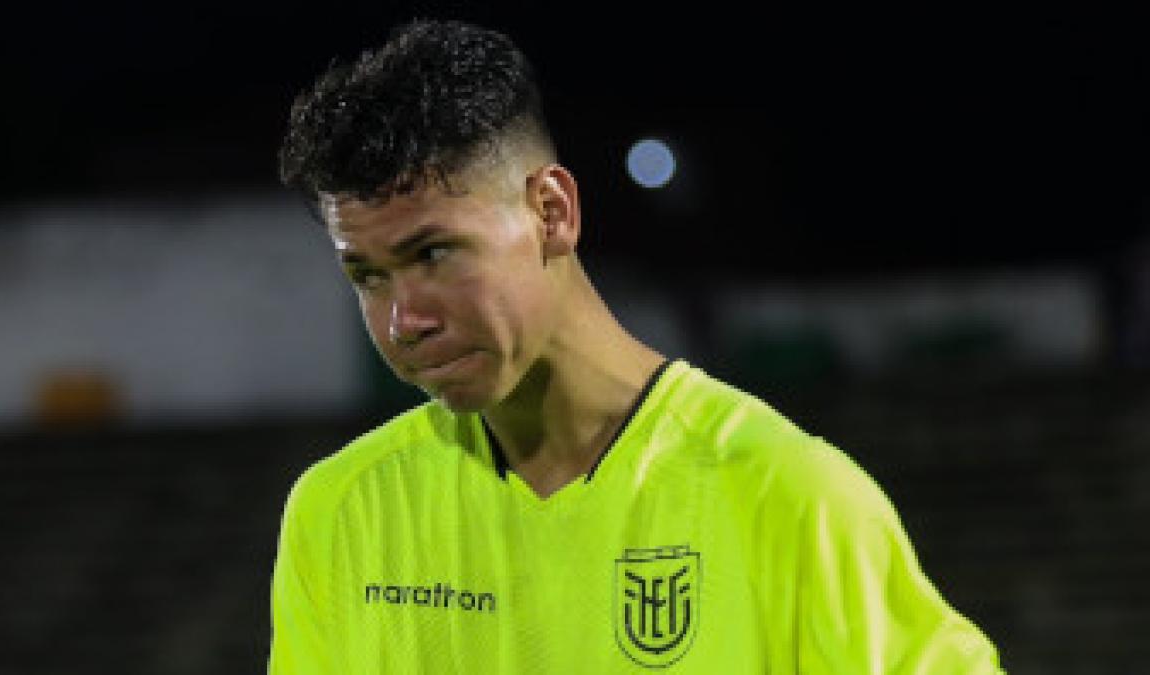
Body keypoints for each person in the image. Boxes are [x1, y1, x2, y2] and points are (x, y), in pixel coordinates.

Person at [269, 18, 1005, 673]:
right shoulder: (341, 515)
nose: (403, 320)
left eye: (434, 254)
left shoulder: (790, 496)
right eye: (367, 276)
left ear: (552, 212)